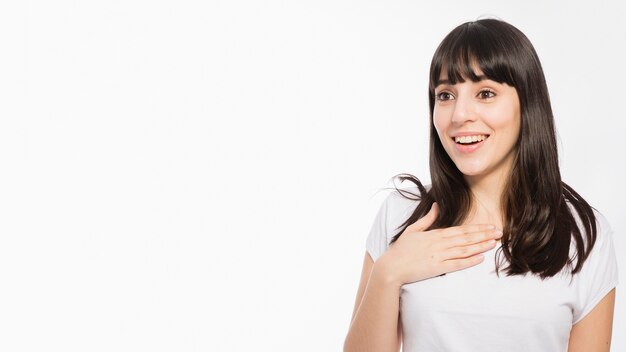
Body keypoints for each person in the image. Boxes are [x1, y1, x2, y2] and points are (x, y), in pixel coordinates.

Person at [343, 18, 618, 352]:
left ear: (527, 104)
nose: (460, 115)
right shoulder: (403, 214)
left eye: (485, 93)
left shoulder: (583, 235)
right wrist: (388, 273)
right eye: (445, 95)